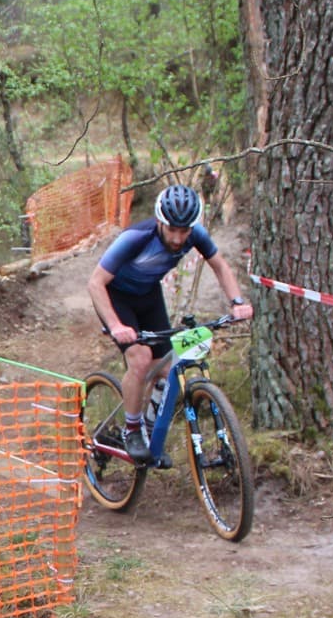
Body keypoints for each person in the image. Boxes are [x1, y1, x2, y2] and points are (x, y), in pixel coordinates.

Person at [85, 183, 254, 465]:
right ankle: (132, 429)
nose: (177, 238)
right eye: (172, 229)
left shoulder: (194, 234)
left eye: (184, 230)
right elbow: (95, 283)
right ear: (160, 221)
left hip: (148, 295)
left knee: (166, 368)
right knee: (140, 359)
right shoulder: (136, 237)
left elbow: (220, 265)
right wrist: (116, 326)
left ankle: (150, 434)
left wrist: (237, 302)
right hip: (116, 297)